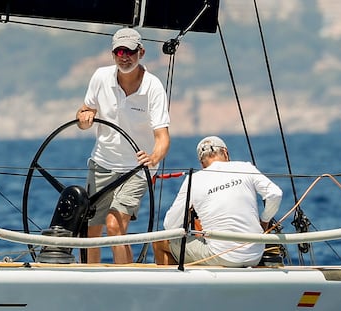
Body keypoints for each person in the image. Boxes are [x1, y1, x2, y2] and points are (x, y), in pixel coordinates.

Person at [76, 27, 170, 264]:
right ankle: (89, 280)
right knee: (89, 231)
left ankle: (126, 281)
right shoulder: (100, 77)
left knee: (114, 225)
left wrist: (154, 158)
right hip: (102, 162)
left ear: (141, 52)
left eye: (129, 51)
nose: (124, 56)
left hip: (136, 168)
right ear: (113, 54)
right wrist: (84, 118)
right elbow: (85, 112)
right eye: (119, 51)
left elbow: (162, 137)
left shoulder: (153, 87)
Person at [153, 136, 282, 267]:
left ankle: (177, 287)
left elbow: (170, 225)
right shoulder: (246, 167)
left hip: (222, 256)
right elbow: (275, 194)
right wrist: (264, 222)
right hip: (255, 254)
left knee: (160, 242)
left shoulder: (194, 179)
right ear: (226, 153)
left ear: (202, 163)